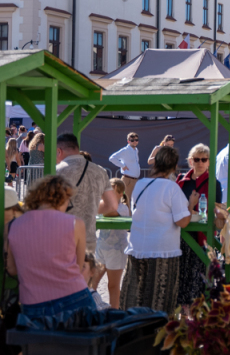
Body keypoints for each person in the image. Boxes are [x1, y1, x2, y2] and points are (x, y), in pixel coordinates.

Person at [7, 175, 98, 319]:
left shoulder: (13, 226)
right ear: (63, 198)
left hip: (33, 302)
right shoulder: (75, 223)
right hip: (74, 297)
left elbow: (12, 269)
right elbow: (78, 266)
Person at [121, 146, 195, 311]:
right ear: (174, 167)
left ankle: (132, 326)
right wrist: (191, 205)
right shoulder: (172, 188)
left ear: (155, 163)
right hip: (162, 250)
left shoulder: (140, 184)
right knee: (160, 302)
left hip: (138, 247)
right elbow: (183, 221)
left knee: (134, 299)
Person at [176, 143, 222, 304]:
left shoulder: (214, 183)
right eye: (197, 159)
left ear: (209, 162)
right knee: (180, 277)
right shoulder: (181, 180)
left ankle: (198, 312)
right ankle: (182, 312)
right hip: (181, 233)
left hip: (203, 235)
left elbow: (217, 208)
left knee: (199, 278)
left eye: (204, 159)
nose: (200, 162)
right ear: (191, 161)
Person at [56, 133, 117, 253]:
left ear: (59, 151)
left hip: (61, 238)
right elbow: (112, 206)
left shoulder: (56, 171)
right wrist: (90, 208)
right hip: (88, 239)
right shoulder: (100, 171)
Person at [94, 178, 129, 309]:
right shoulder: (103, 205)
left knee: (112, 285)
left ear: (120, 194)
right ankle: (92, 309)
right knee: (91, 283)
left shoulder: (123, 208)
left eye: (111, 192)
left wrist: (94, 203)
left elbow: (110, 212)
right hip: (101, 248)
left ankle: (114, 312)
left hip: (116, 250)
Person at [109, 132, 141, 202]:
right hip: (128, 180)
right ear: (128, 141)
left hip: (134, 180)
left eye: (136, 140)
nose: (134, 142)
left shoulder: (136, 150)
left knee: (133, 201)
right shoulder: (125, 150)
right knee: (125, 201)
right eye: (132, 140)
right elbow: (112, 158)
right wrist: (122, 166)